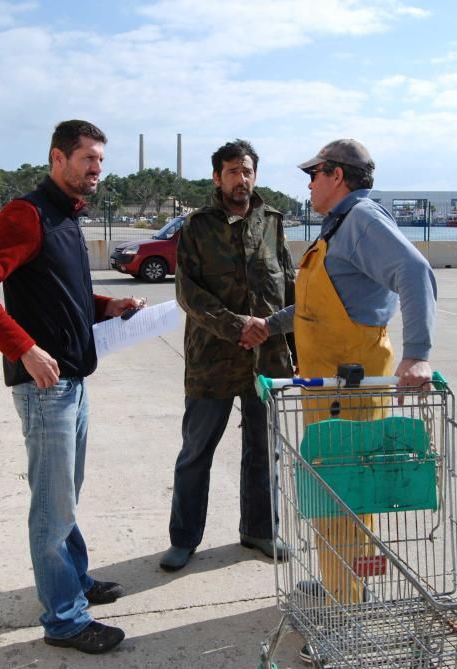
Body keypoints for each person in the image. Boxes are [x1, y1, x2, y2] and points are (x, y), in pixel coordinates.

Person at [241, 138, 437, 664]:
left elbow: (415, 272)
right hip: (325, 386)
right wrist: (273, 325)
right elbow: (317, 305)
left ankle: (345, 614)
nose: (308, 184)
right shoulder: (340, 226)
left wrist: (417, 354)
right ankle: (340, 584)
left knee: (346, 495)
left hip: (350, 387)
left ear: (338, 175)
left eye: (314, 174)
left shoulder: (364, 221)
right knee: (330, 490)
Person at [0, 120, 140, 655]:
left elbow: (62, 297)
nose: (97, 169)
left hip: (73, 383)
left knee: (66, 497)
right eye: (87, 159)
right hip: (44, 387)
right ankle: (64, 620)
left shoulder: (66, 219)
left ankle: (74, 582)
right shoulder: (26, 215)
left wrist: (109, 307)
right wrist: (23, 349)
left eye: (101, 161)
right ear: (58, 158)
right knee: (52, 507)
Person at [159, 139, 296, 572]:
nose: (242, 179)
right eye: (234, 171)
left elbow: (289, 285)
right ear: (217, 177)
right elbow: (189, 292)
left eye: (248, 171)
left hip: (267, 360)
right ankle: (184, 538)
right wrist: (237, 326)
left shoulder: (271, 222)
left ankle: (257, 529)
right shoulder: (197, 226)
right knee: (196, 451)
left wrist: (290, 345)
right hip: (211, 360)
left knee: (263, 450)